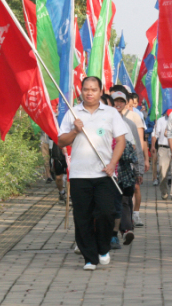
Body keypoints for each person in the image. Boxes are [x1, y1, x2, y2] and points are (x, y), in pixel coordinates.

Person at [58, 76, 128, 271]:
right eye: (86, 89)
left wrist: (112, 163)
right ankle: (90, 257)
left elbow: (121, 141)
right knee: (83, 217)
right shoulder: (73, 112)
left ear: (100, 91)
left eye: (94, 89)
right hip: (79, 174)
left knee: (107, 213)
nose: (89, 93)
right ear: (81, 91)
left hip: (104, 174)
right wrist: (74, 131)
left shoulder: (111, 113)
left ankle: (103, 247)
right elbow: (61, 141)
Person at [109, 86, 145, 248]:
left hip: (123, 170)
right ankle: (114, 232)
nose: (118, 104)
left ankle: (124, 230)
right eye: (115, 101)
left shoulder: (129, 123)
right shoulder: (104, 122)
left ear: (125, 103)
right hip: (105, 169)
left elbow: (137, 146)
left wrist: (139, 170)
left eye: (121, 101)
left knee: (124, 200)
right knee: (111, 203)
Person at [127, 93, 149, 227]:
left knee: (136, 187)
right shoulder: (111, 115)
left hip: (133, 157)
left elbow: (141, 140)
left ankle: (136, 214)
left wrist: (144, 159)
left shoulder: (135, 116)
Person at [152, 110, 172, 199]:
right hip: (163, 148)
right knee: (162, 172)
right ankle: (164, 192)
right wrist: (153, 146)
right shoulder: (160, 120)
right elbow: (154, 134)